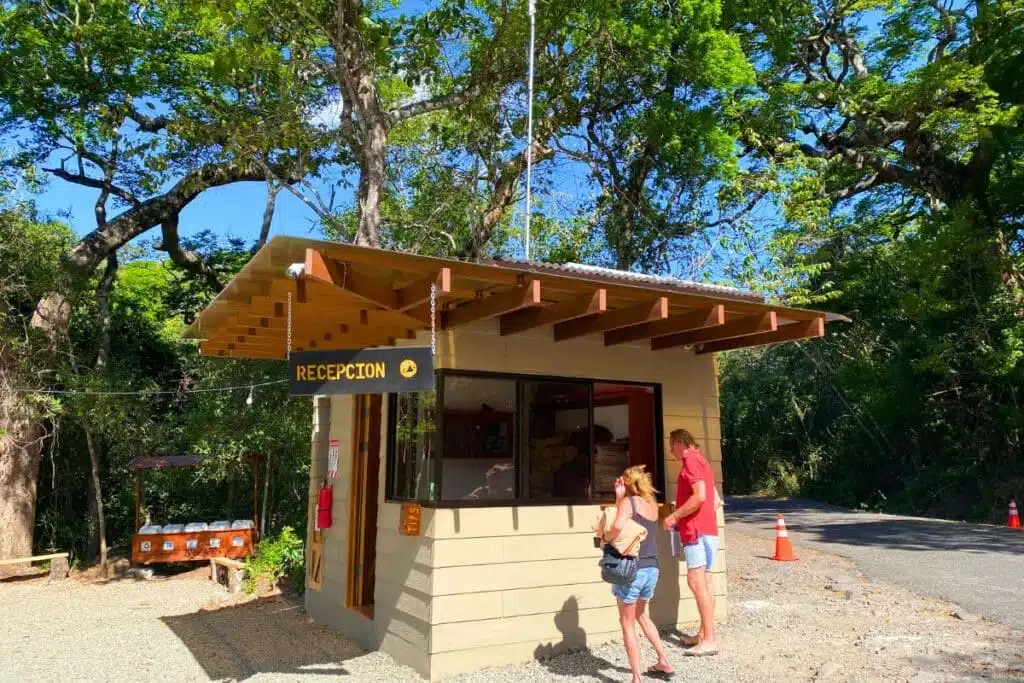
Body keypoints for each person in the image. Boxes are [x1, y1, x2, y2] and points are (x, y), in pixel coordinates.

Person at [601, 465, 673, 682]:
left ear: (626, 483)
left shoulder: (629, 503)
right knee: (641, 614)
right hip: (652, 567)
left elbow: (618, 525)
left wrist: (606, 539)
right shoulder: (651, 504)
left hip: (632, 568)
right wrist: (621, 498)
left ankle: (636, 677)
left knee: (627, 622)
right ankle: (663, 660)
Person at [662, 428, 723, 656]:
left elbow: (700, 496)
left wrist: (675, 516)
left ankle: (709, 640)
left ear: (680, 442)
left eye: (672, 445)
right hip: (708, 530)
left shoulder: (690, 461)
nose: (671, 450)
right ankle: (703, 633)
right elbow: (716, 500)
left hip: (695, 531)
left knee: (696, 582)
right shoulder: (704, 462)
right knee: (705, 582)